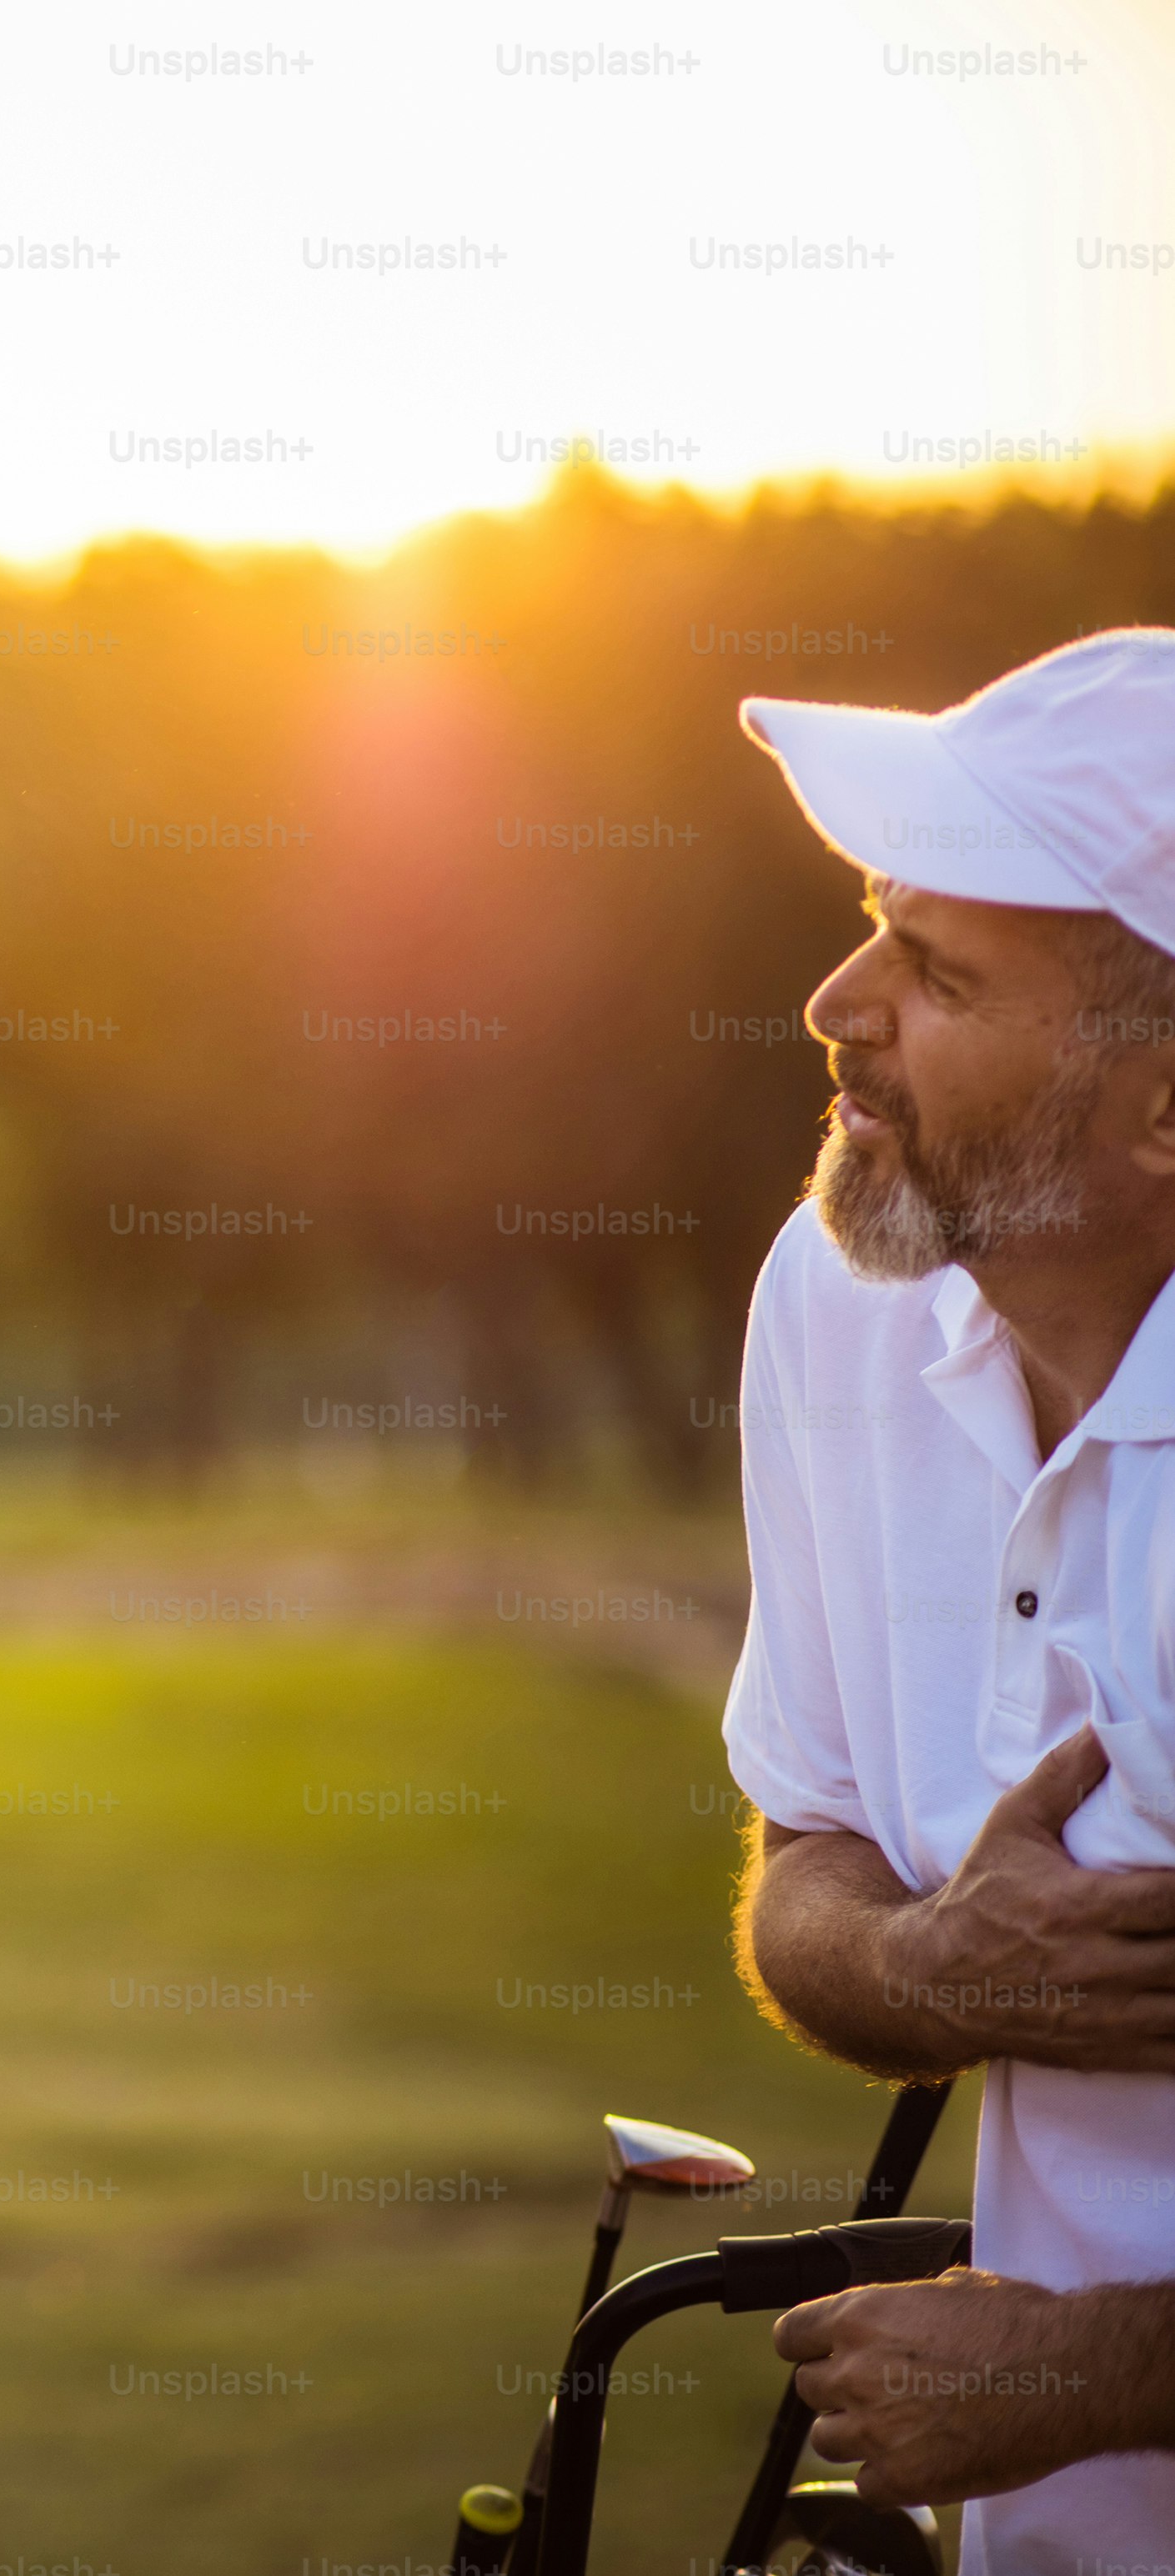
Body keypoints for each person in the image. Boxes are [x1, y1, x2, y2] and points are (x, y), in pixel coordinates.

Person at [719, 629, 1175, 2564]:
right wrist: (926, 1972)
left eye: (937, 972)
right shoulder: (834, 1298)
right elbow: (808, 1844)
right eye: (867, 925)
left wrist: (1091, 2375)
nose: (837, 1005)